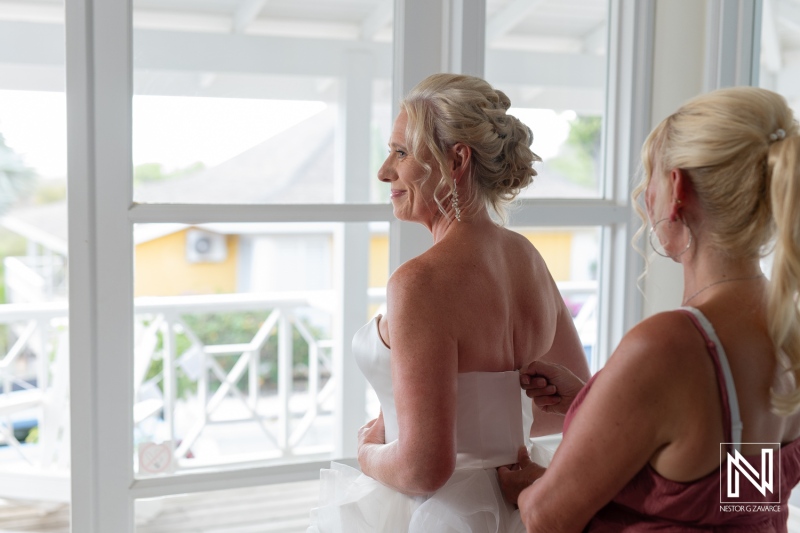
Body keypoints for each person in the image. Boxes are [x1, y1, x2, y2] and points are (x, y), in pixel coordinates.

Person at [497, 86, 800, 532]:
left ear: (676, 188)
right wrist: (592, 404)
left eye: (650, 179)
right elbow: (730, 500)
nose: (645, 199)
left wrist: (530, 487)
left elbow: (546, 518)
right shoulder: (784, 330)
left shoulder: (670, 346)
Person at [307, 73, 591, 532]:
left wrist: (367, 454)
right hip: (518, 504)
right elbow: (568, 405)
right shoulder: (529, 260)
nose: (384, 170)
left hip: (436, 514)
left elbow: (423, 469)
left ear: (456, 159)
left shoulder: (420, 283)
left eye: (401, 152)